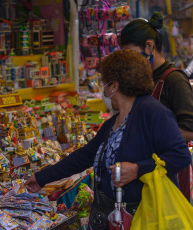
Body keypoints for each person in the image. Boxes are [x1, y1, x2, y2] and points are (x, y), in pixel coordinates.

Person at [25, 50, 192, 229]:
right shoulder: (115, 121)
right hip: (108, 216)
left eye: (103, 83)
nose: (103, 89)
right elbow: (85, 156)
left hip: (140, 217)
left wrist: (137, 169)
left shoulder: (153, 112)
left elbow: (180, 156)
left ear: (114, 86)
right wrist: (42, 177)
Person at [120, 11, 193, 202]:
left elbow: (190, 129)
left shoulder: (174, 79)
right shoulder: (143, 79)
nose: (129, 62)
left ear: (149, 46)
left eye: (131, 54)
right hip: (144, 169)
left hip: (168, 170)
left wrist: (148, 136)